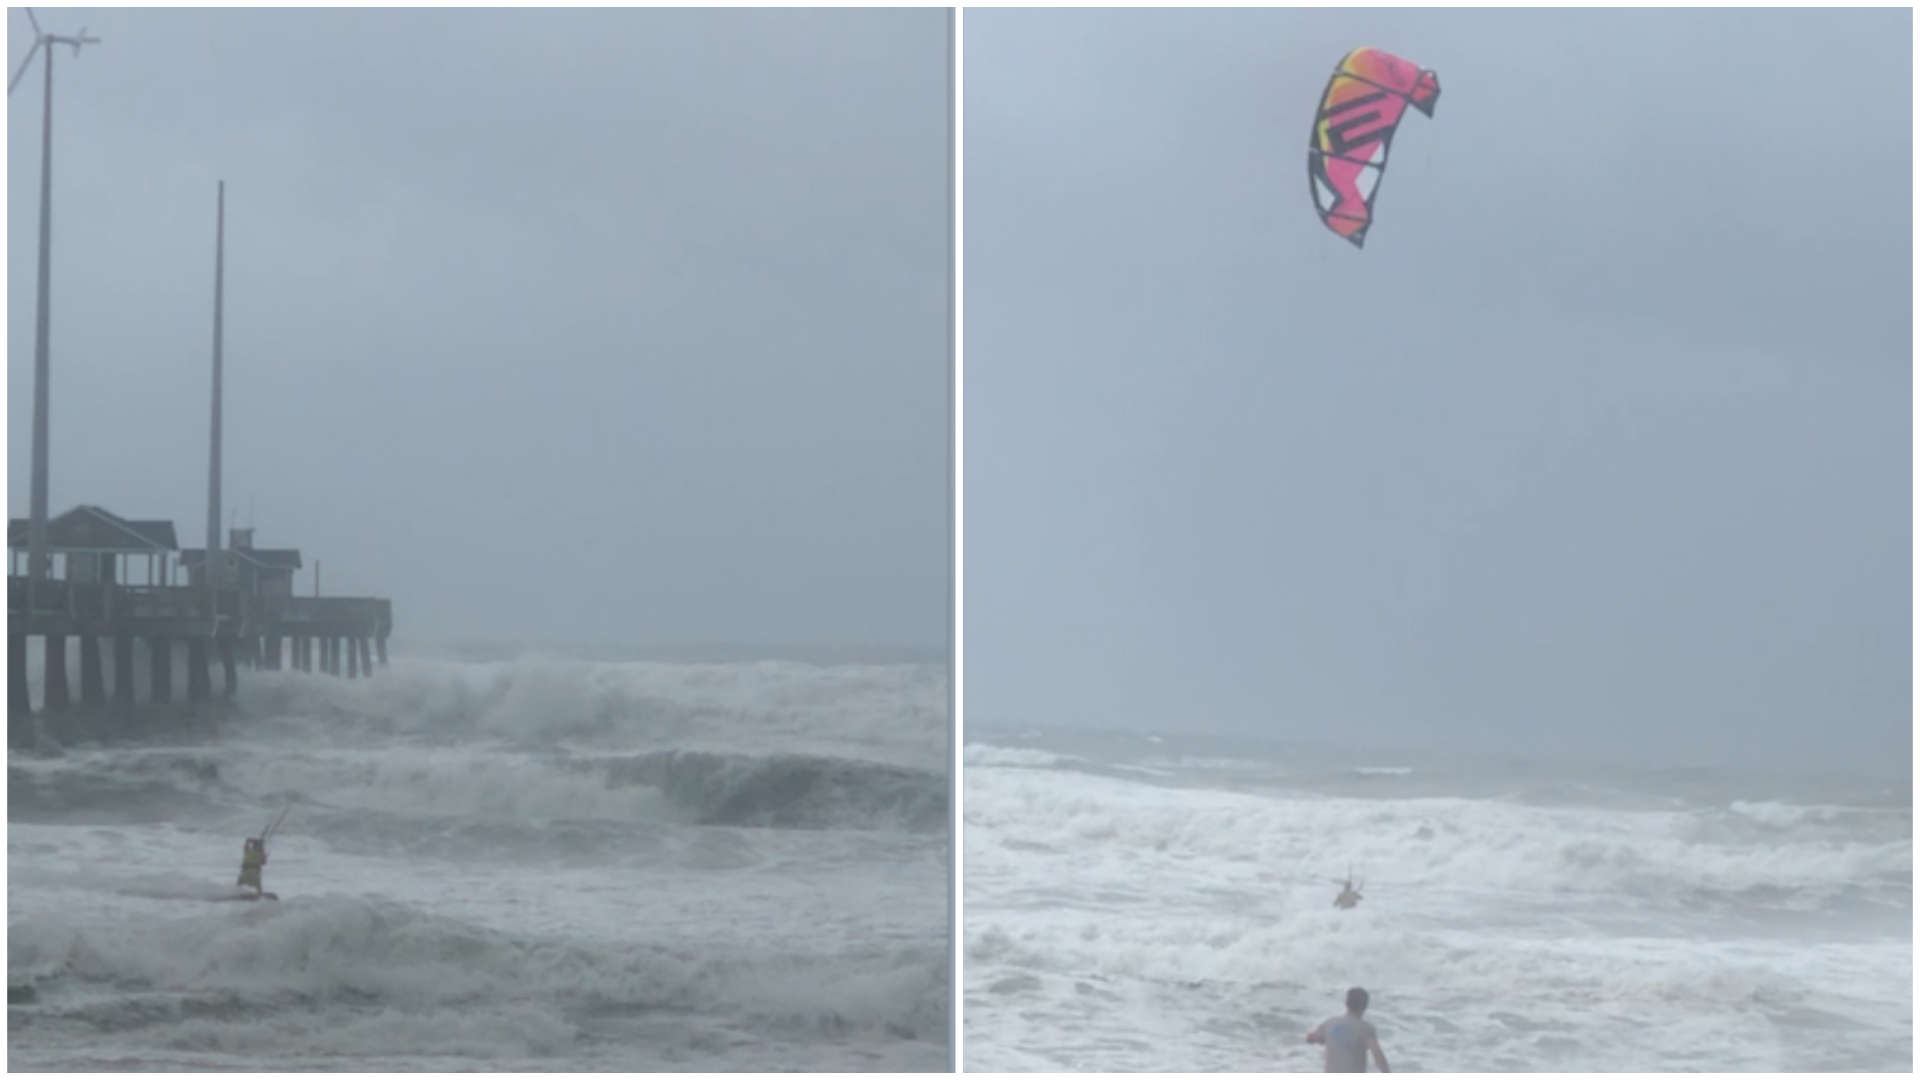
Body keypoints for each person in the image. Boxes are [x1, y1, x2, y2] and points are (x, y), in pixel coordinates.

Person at [1306, 987, 1390, 1072]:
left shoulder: (1330, 1023)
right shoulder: (1365, 1028)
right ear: (1365, 1006)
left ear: (1346, 1003)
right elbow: (1377, 1055)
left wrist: (1324, 1040)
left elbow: (1310, 1039)